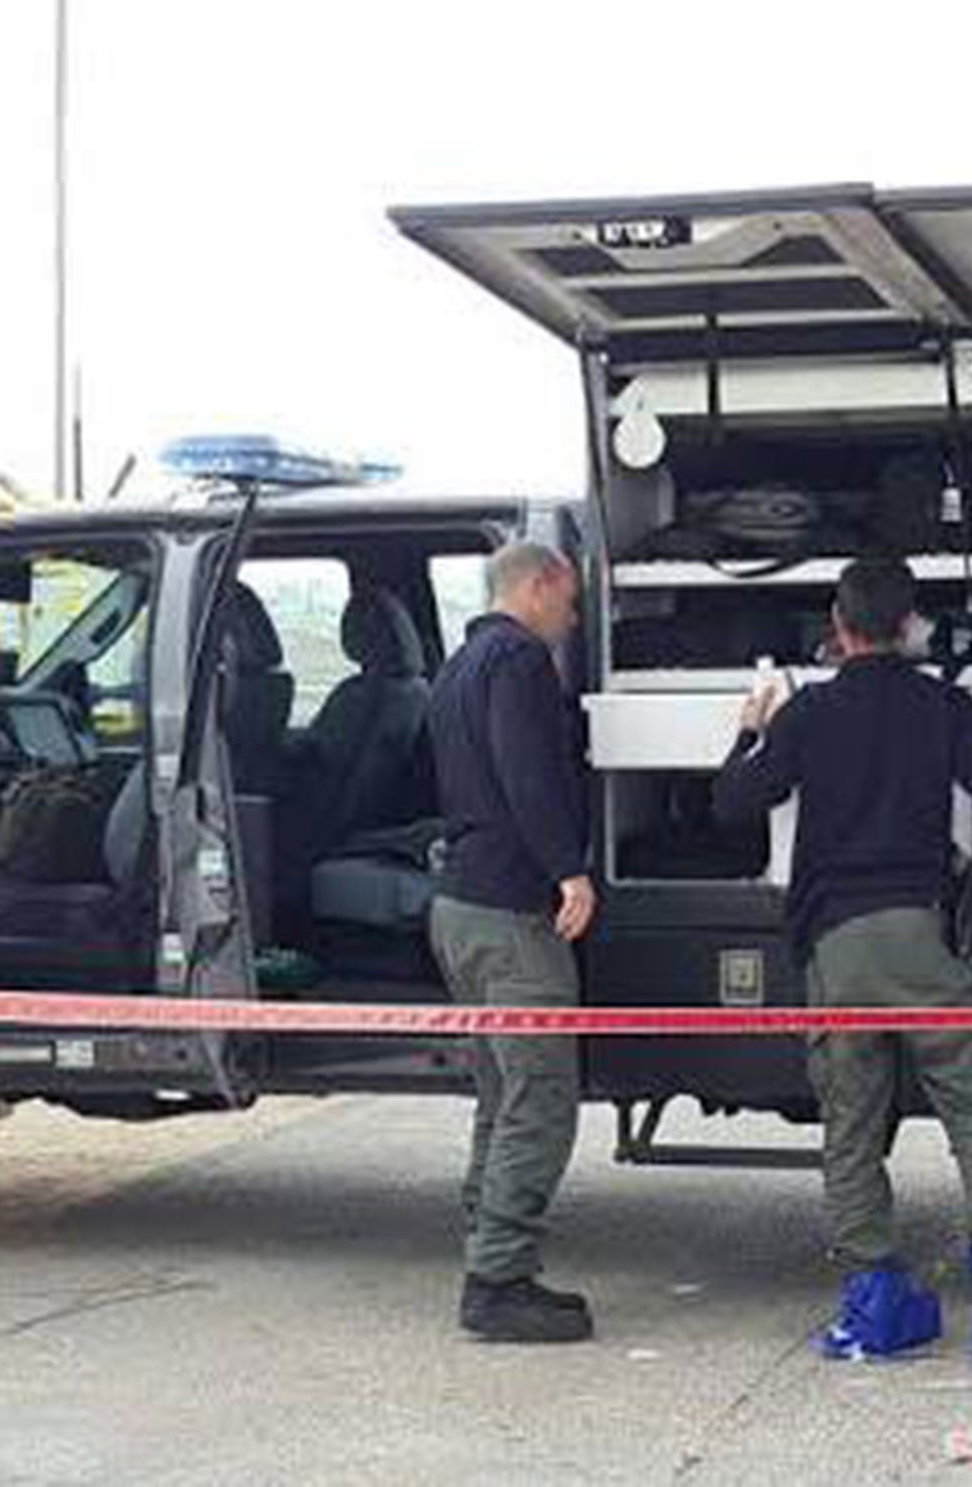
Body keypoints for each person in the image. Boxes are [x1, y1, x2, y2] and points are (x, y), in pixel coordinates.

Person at [713, 557, 972, 1370]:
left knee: (850, 1122)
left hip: (836, 944)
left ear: (839, 628)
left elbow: (732, 803)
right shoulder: (940, 705)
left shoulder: (808, 712)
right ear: (909, 625)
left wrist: (752, 725)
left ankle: (878, 1306)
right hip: (923, 934)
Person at [427, 540, 594, 1343]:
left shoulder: (458, 665)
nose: (570, 621)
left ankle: (485, 1253)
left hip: (460, 907)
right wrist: (571, 870)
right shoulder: (521, 662)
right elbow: (528, 771)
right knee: (539, 1100)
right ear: (540, 584)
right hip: (510, 913)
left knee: (500, 1098)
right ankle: (498, 1282)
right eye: (569, 602)